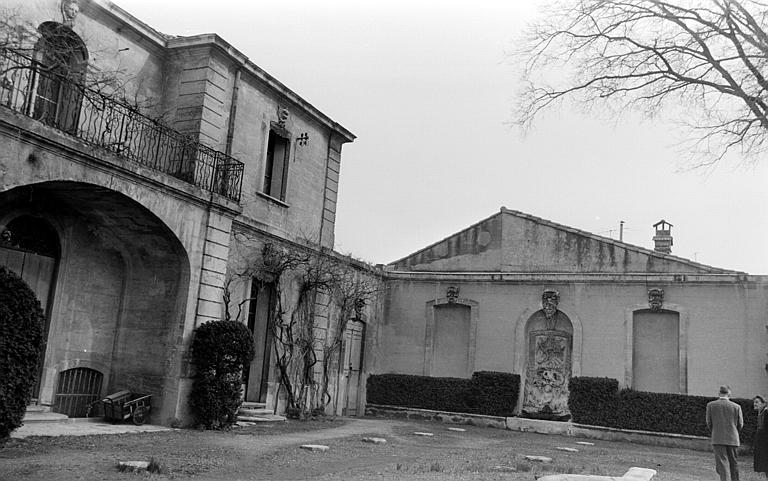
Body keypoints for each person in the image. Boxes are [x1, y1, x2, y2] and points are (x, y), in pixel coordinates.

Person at [706, 386, 744, 481]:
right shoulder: (736, 407)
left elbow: (709, 422)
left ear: (719, 393)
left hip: (718, 438)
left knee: (723, 464)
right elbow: (740, 424)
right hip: (733, 439)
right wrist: (734, 432)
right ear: (729, 394)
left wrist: (716, 431)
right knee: (733, 463)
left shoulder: (711, 405)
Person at [754, 395, 768, 478]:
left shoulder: (766, 413)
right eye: (754, 402)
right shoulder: (761, 413)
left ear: (764, 403)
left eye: (757, 402)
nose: (754, 404)